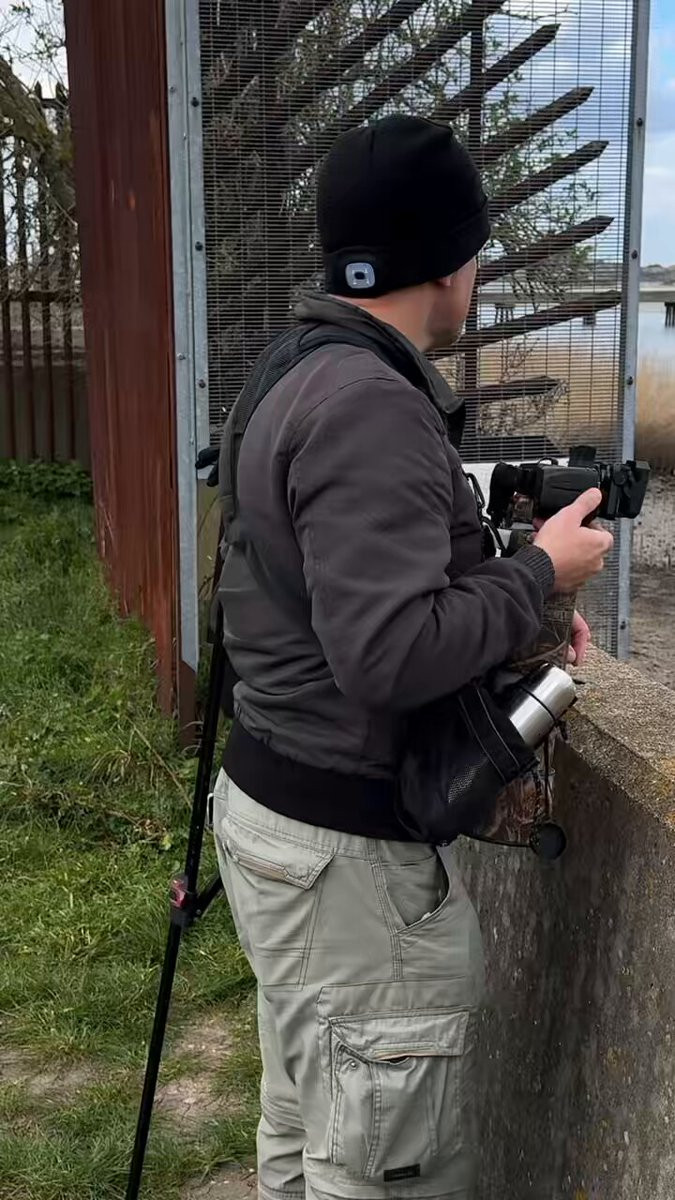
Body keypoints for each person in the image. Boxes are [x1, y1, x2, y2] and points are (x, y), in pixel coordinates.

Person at [212, 115, 612, 1200]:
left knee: (307, 1133)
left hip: (280, 807)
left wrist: (517, 604)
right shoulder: (369, 405)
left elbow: (346, 601)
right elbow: (387, 654)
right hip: (344, 857)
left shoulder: (299, 370)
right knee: (384, 1169)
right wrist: (542, 571)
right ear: (447, 258)